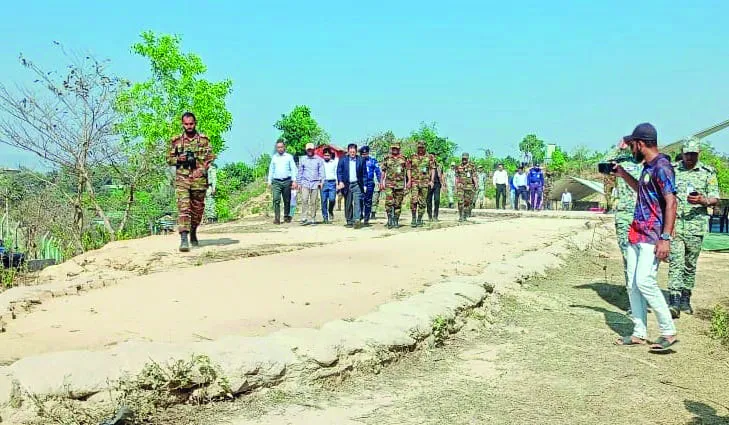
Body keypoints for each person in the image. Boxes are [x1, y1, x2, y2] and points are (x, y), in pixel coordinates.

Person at [613, 122, 678, 352]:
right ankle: (639, 332)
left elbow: (671, 202)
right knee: (632, 284)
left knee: (644, 281)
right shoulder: (648, 167)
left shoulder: (662, 167)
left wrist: (666, 237)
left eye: (632, 145)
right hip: (636, 233)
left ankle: (668, 331)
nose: (631, 149)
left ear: (641, 144)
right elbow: (641, 190)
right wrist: (622, 174)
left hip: (652, 236)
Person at [668, 137, 720, 318]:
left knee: (690, 265)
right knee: (676, 262)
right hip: (675, 225)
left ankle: (685, 298)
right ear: (681, 153)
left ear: (699, 154)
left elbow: (715, 198)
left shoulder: (707, 172)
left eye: (693, 154)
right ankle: (673, 300)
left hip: (696, 226)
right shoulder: (672, 171)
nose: (689, 157)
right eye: (687, 153)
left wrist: (703, 200)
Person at [167, 112, 216, 252]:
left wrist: (202, 169)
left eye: (191, 124)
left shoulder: (204, 140)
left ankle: (193, 230)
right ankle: (184, 238)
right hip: (182, 179)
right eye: (186, 124)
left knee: (197, 211)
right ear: (182, 124)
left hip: (199, 180)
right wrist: (179, 159)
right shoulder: (176, 141)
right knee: (183, 209)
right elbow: (169, 159)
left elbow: (210, 158)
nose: (189, 126)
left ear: (195, 123)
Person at [610, 138, 643, 294]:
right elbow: (603, 164)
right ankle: (633, 296)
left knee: (645, 259)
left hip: (646, 217)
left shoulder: (652, 163)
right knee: (628, 257)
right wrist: (619, 147)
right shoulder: (622, 161)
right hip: (624, 216)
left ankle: (642, 293)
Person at [267, 139, 298, 225]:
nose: (280, 149)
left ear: (284, 147)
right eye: (278, 147)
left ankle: (286, 215)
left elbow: (293, 169)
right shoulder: (274, 157)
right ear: (276, 148)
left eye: (281, 147)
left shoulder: (289, 157)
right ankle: (277, 218)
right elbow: (271, 169)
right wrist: (269, 181)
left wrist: (294, 181)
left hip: (287, 181)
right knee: (276, 199)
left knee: (287, 200)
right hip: (276, 181)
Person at [337, 143, 366, 228]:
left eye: (354, 151)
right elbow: (339, 172)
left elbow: (364, 173)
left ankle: (356, 220)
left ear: (356, 152)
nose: (352, 153)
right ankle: (349, 221)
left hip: (357, 184)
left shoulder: (361, 160)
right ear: (348, 151)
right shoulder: (343, 160)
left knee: (357, 202)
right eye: (351, 151)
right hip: (347, 184)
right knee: (348, 203)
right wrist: (340, 181)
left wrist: (365, 185)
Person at [381, 141, 408, 228]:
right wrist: (381, 182)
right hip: (389, 184)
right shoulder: (387, 158)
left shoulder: (404, 159)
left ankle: (396, 220)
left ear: (399, 148)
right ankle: (389, 220)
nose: (395, 149)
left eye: (396, 148)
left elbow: (408, 171)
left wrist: (408, 182)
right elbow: (383, 171)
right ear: (391, 148)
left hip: (400, 184)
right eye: (393, 148)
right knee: (389, 202)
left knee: (398, 203)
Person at [407, 141, 433, 227]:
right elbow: (409, 169)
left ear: (425, 147)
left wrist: (431, 180)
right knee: (414, 200)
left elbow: (432, 169)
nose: (420, 149)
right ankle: (413, 218)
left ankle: (419, 219)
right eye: (419, 147)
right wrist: (409, 180)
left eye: (422, 147)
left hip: (425, 183)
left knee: (422, 202)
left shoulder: (430, 157)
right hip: (414, 182)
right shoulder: (412, 156)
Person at [297, 143, 325, 225]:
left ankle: (313, 218)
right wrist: (299, 183)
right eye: (308, 149)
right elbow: (300, 172)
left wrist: (321, 181)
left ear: (314, 150)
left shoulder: (319, 159)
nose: (310, 151)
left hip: (315, 183)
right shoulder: (302, 159)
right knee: (304, 199)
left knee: (313, 201)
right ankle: (304, 217)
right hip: (305, 182)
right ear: (306, 150)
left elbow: (321, 172)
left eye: (311, 149)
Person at [360, 146, 381, 226]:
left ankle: (366, 219)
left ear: (368, 153)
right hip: (360, 183)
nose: (364, 155)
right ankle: (360, 215)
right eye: (363, 154)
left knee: (368, 201)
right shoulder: (358, 161)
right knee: (360, 200)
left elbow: (378, 172)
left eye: (366, 154)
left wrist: (380, 181)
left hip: (369, 183)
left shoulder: (373, 161)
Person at [455, 153, 478, 221]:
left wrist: (476, 184)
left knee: (467, 202)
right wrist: (456, 186)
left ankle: (465, 215)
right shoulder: (458, 166)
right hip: (460, 186)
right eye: (463, 158)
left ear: (468, 158)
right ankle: (460, 216)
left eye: (465, 158)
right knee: (460, 201)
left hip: (469, 186)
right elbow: (456, 177)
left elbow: (474, 176)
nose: (464, 160)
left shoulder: (472, 166)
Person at [320, 148, 338, 224]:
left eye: (328, 155)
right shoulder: (320, 162)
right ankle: (325, 217)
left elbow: (336, 172)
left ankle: (330, 210)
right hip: (323, 183)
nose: (326, 157)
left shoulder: (334, 162)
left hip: (332, 183)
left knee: (332, 199)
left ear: (330, 155)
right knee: (323, 201)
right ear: (323, 155)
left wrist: (337, 182)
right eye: (325, 155)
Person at [427, 152, 445, 221]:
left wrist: (443, 184)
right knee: (428, 200)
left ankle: (435, 216)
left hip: (437, 184)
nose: (432, 158)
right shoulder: (426, 165)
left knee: (437, 200)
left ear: (435, 158)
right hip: (428, 184)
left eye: (433, 157)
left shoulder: (439, 166)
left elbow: (442, 175)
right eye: (430, 157)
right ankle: (430, 216)